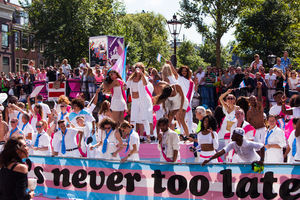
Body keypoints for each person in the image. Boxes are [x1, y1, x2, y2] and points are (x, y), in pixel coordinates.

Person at [126, 63, 153, 142]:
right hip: (134, 100)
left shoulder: (144, 77)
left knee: (144, 118)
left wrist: (141, 74)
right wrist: (124, 86)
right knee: (133, 118)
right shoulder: (131, 78)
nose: (137, 68)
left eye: (139, 67)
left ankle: (148, 136)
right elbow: (126, 87)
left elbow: (145, 84)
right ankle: (132, 136)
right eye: (136, 67)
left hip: (142, 100)